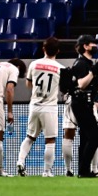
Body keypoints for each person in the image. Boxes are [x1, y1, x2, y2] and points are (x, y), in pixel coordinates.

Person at [17, 37, 64, 177]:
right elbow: (63, 88)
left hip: (34, 105)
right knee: (50, 140)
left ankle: (20, 161)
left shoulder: (34, 64)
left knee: (30, 136)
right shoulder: (60, 68)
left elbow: (28, 84)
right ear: (58, 51)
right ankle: (47, 171)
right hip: (49, 107)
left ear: (43, 49)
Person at [69, 34, 98, 178]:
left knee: (85, 137)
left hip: (87, 103)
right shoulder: (80, 63)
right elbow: (81, 84)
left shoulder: (88, 63)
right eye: (92, 44)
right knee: (95, 137)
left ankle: (83, 170)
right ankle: (84, 169)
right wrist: (93, 72)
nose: (95, 46)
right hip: (81, 103)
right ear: (85, 46)